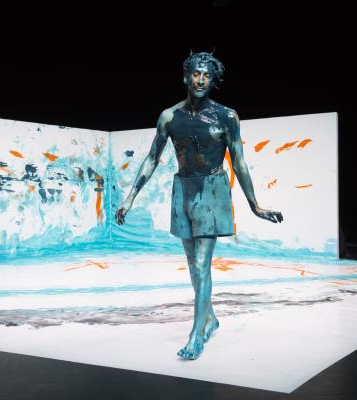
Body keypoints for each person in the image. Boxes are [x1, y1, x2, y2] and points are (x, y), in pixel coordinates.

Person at [115, 51, 283, 360]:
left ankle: (196, 336)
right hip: (183, 189)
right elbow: (152, 158)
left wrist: (254, 205)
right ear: (186, 77)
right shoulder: (169, 117)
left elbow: (239, 162)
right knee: (193, 265)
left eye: (207, 75)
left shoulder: (226, 116)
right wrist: (129, 198)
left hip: (212, 190)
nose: (201, 79)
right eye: (196, 73)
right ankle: (211, 318)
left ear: (213, 79)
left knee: (202, 264)